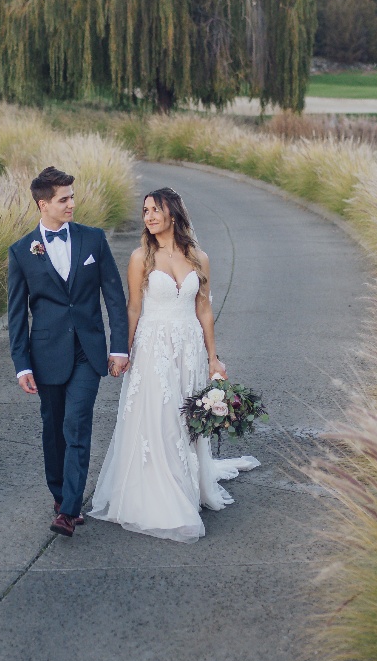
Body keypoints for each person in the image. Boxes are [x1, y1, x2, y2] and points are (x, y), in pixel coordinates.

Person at [88, 187, 259, 542]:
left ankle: (187, 483)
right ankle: (160, 493)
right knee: (160, 419)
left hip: (190, 347)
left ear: (173, 214)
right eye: (145, 211)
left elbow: (204, 309)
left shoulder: (199, 257)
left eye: (155, 210)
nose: (148, 216)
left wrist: (214, 358)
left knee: (185, 420)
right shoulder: (141, 258)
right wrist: (123, 349)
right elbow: (133, 307)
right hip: (153, 348)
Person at [7, 166, 129, 537]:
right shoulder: (21, 252)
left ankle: (70, 509)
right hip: (46, 356)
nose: (72, 204)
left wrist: (119, 347)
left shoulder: (93, 240)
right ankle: (60, 495)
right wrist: (21, 364)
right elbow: (16, 316)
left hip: (87, 354)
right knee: (53, 428)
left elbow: (114, 297)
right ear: (43, 204)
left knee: (77, 424)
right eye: (64, 199)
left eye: (72, 197)